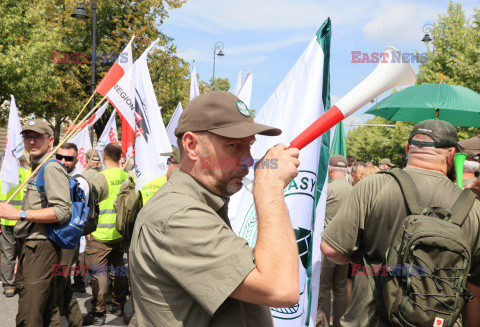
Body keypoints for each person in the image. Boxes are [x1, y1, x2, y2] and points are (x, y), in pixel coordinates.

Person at [129, 90, 300, 326]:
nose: (248, 159)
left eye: (249, 146)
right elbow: (281, 289)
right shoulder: (179, 214)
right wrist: (269, 187)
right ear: (191, 145)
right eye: (233, 146)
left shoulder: (202, 202)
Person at [321, 119, 480, 326]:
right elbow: (475, 286)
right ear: (451, 155)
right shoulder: (473, 208)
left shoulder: (372, 186)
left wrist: (369, 261)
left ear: (407, 148)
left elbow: (332, 249)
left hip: (371, 320)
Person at [0, 119, 71, 326]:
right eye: (27, 136)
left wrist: (20, 214)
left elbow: (62, 211)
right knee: (48, 311)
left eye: (37, 137)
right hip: (33, 246)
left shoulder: (50, 168)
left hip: (40, 246)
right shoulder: (37, 167)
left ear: (50, 141)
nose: (31, 141)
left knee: (29, 315)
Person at [83, 143, 129, 326]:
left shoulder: (100, 178)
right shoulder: (127, 176)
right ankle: (119, 305)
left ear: (104, 156)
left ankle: (98, 312)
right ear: (120, 157)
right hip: (119, 234)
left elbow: (90, 207)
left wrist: (87, 230)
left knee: (99, 273)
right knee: (118, 269)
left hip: (100, 234)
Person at [54, 143, 88, 327]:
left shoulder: (78, 181)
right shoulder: (61, 177)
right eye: (59, 157)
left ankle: (57, 321)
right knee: (64, 285)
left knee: (57, 285)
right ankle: (76, 321)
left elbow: (72, 214)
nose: (63, 161)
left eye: (68, 158)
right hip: (59, 239)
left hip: (68, 241)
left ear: (76, 160)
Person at [317, 155, 352, 327]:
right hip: (345, 247)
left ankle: (321, 324)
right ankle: (339, 324)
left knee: (323, 288)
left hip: (326, 246)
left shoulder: (327, 190)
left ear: (329, 170)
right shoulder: (355, 189)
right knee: (340, 289)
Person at [0, 157, 31, 297]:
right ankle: (22, 282)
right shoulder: (28, 173)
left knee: (8, 254)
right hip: (23, 219)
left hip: (6, 220)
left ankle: (9, 285)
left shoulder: (3, 175)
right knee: (24, 253)